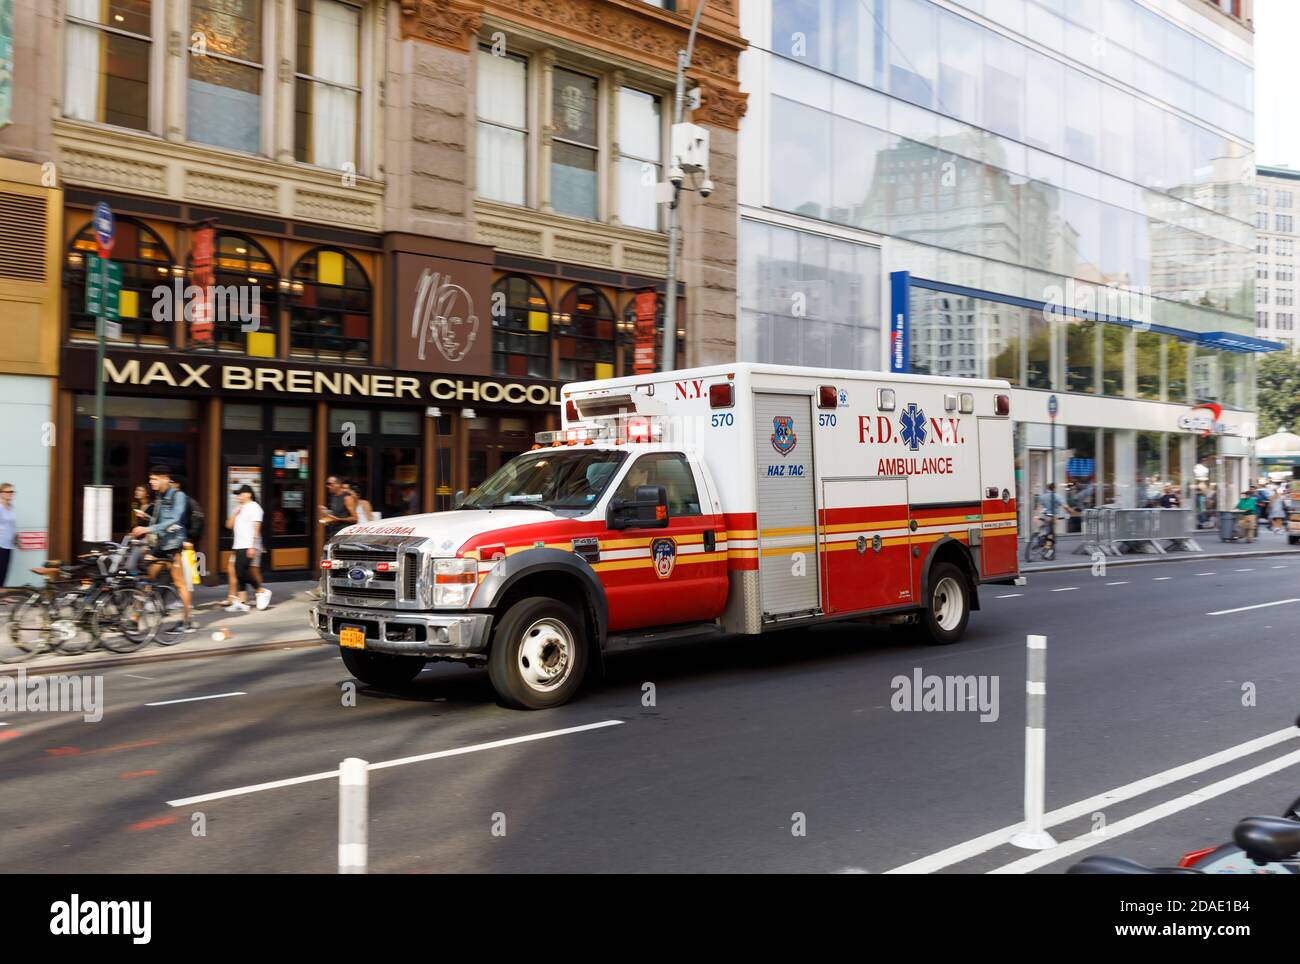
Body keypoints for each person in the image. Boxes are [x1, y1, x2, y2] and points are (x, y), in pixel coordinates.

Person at [130, 466, 195, 632]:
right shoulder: (159, 496)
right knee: (145, 579)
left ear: (165, 478)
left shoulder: (178, 496)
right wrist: (147, 520)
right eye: (150, 479)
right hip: (160, 545)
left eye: (154, 479)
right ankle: (133, 619)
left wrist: (147, 530)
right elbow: (158, 521)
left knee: (180, 584)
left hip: (173, 546)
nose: (151, 482)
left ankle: (187, 621)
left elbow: (175, 519)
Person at [225, 485, 271, 612]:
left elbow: (256, 528)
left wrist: (252, 546)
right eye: (238, 494)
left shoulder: (255, 507)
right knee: (239, 572)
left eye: (241, 493)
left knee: (241, 571)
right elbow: (228, 525)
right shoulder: (239, 508)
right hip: (238, 544)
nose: (238, 496)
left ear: (249, 494)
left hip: (248, 545)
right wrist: (235, 513)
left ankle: (261, 590)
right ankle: (241, 602)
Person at [0, 482, 14, 586]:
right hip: (0, 544)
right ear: (1, 493)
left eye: (12, 491)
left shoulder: (11, 507)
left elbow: (11, 525)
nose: (10, 493)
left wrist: (17, 539)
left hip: (8, 544)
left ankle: (2, 595)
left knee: (4, 570)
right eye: (8, 491)